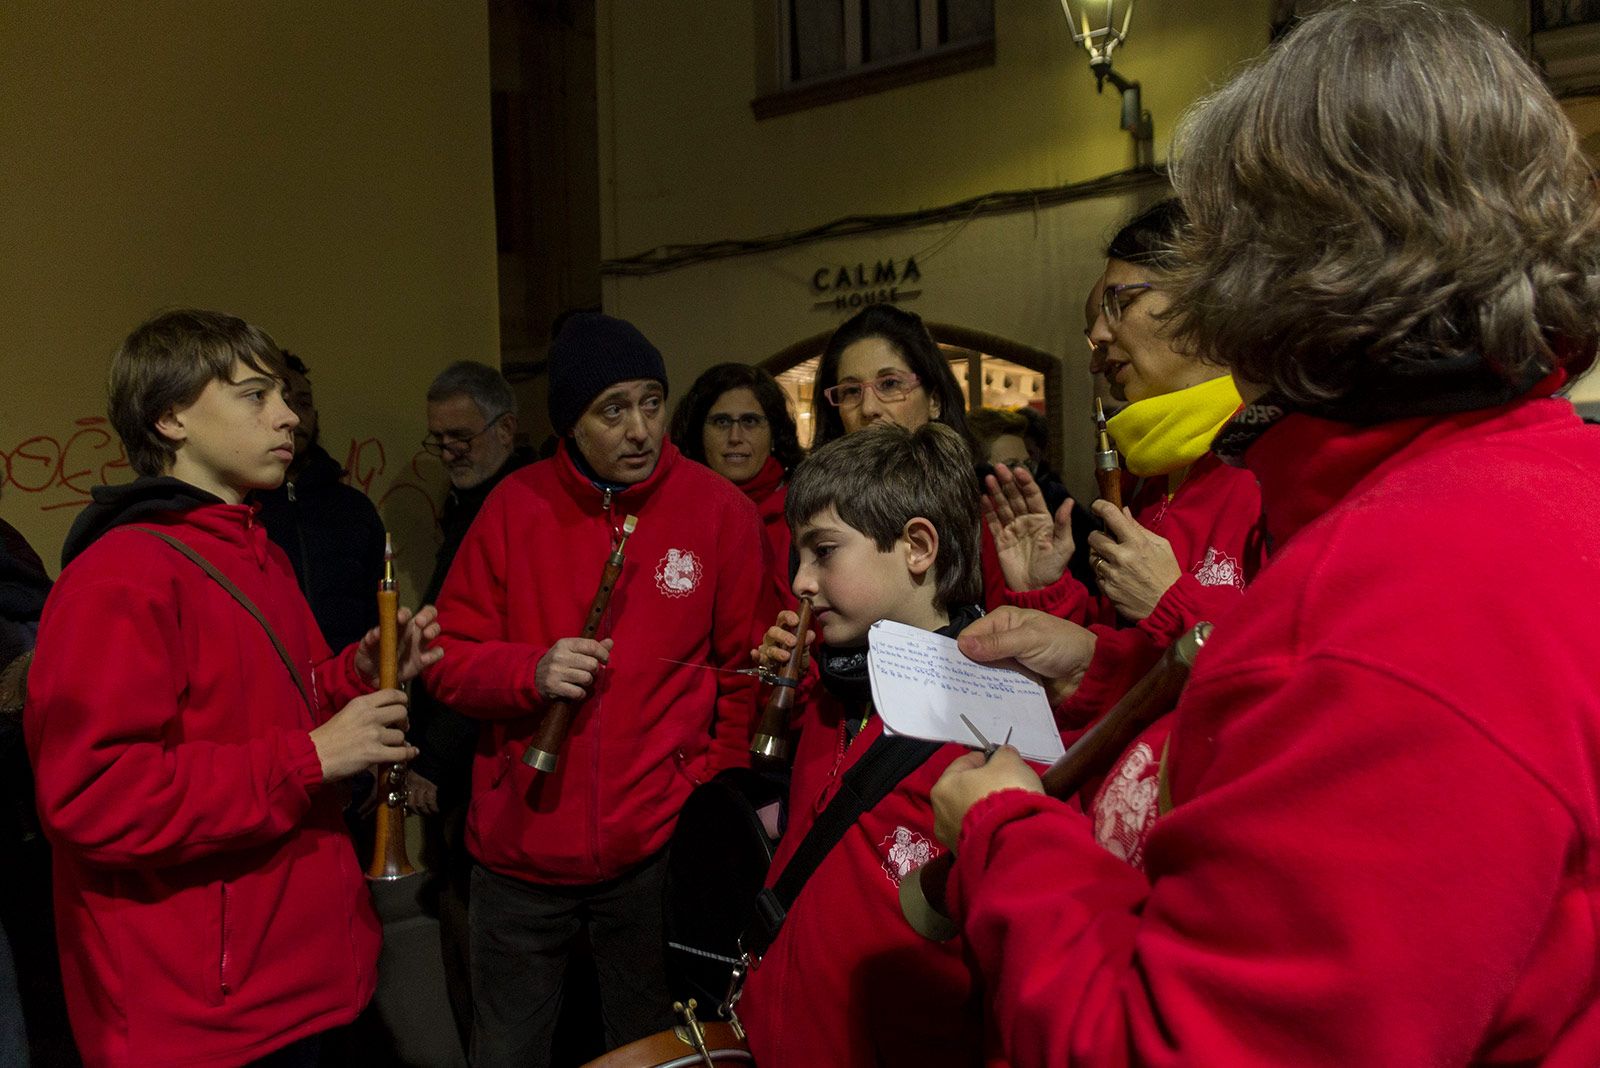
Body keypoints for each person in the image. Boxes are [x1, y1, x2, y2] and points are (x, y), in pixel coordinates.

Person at [932, 4, 1600, 1063]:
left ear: (1260, 270)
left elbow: (1176, 1045)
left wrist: (1004, 834)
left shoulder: (1379, 603)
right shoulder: (1548, 476)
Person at [23, 309, 441, 1067]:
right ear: (170, 416)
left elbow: (265, 705)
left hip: (303, 980)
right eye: (254, 395)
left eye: (283, 395)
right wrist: (309, 758)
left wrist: (355, 673)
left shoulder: (255, 549)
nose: (288, 416)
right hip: (205, 1019)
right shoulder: (120, 577)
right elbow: (93, 797)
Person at [424, 312, 770, 1067]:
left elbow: (745, 670)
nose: (640, 428)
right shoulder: (512, 508)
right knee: (508, 1052)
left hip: (650, 855)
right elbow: (445, 658)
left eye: (652, 401)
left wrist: (703, 783)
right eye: (612, 410)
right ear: (569, 425)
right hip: (516, 856)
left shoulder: (720, 512)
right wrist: (530, 672)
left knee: (648, 1053)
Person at [736, 422, 987, 1067]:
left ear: (917, 547)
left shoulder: (990, 729)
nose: (801, 582)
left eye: (824, 552)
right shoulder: (827, 694)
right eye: (799, 556)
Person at [410, 359, 538, 1050]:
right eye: (438, 440)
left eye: (460, 437)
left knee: (481, 954)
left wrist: (437, 759)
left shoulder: (510, 509)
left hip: (482, 767)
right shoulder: (473, 505)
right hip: (464, 761)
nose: (450, 452)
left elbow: (483, 653)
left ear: (505, 429)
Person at [256, 352, 386, 653]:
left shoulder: (355, 510)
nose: (294, 416)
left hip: (351, 681)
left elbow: (379, 610)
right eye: (283, 402)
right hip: (273, 682)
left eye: (304, 402)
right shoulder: (242, 507)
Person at [669, 362, 805, 612]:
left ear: (774, 433)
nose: (735, 437)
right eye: (721, 422)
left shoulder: (803, 511)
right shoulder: (672, 511)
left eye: (750, 421)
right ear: (698, 433)